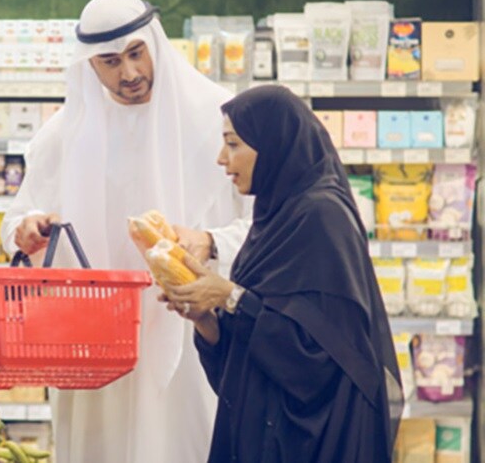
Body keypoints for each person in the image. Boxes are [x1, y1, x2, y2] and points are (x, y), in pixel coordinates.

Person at [1, 0, 252, 462]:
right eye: (111, 62)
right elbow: (17, 218)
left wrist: (211, 241)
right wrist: (26, 228)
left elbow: (263, 222)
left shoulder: (218, 117)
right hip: (91, 339)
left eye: (136, 54)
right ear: (89, 66)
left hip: (190, 326)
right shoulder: (66, 132)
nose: (130, 73)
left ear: (154, 44)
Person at [162, 85, 403, 462]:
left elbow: (323, 358)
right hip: (262, 435)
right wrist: (206, 321)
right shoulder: (274, 215)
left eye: (234, 144)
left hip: (310, 444)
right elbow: (249, 361)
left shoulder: (322, 217)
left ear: (275, 143)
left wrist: (230, 297)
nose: (221, 159)